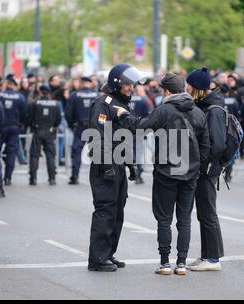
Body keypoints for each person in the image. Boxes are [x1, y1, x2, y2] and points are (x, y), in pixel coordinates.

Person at [114, 72, 210, 276]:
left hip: (166, 173)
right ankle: (182, 263)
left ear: (167, 91)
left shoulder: (164, 110)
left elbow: (140, 127)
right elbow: (205, 146)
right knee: (184, 220)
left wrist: (123, 115)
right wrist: (197, 169)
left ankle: (165, 263)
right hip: (190, 174)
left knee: (164, 219)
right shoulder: (198, 112)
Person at [87, 64, 145, 272]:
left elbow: (126, 137)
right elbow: (97, 136)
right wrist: (106, 165)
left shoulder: (122, 105)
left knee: (117, 211)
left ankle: (108, 253)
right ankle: (97, 259)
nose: (132, 88)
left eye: (133, 84)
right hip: (106, 165)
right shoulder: (103, 104)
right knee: (105, 211)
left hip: (119, 163)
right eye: (128, 84)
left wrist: (130, 165)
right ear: (117, 83)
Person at [185, 67, 225, 272]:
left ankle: (213, 259)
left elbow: (216, 144)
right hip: (204, 167)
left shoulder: (214, 110)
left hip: (207, 169)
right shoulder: (206, 105)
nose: (186, 87)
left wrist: (204, 164)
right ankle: (206, 255)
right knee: (203, 213)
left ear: (197, 88)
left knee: (208, 213)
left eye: (188, 85)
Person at [0, 78, 27, 186]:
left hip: (0, 128)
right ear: (14, 86)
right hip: (14, 127)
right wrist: (20, 124)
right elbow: (24, 114)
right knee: (11, 154)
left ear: (6, 84)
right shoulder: (20, 97)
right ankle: (8, 178)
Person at [65, 77, 99, 185]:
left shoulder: (74, 95)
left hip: (80, 127)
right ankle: (98, 177)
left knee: (76, 151)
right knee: (96, 152)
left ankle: (74, 176)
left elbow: (68, 113)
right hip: (94, 126)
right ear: (89, 84)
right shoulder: (97, 96)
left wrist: (71, 125)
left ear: (81, 84)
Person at [27, 85, 62, 186]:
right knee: (50, 156)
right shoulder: (55, 104)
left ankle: (33, 179)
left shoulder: (35, 103)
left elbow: (29, 118)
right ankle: (52, 179)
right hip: (50, 132)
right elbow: (58, 120)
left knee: (34, 155)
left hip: (38, 131)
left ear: (40, 92)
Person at [128, 85, 152, 184]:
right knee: (138, 152)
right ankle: (138, 172)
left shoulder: (129, 100)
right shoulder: (143, 100)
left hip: (128, 129)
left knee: (132, 152)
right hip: (140, 128)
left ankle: (133, 170)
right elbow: (149, 115)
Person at [220, 83, 240, 183]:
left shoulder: (217, 101)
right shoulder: (234, 101)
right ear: (228, 91)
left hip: (220, 128)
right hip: (231, 129)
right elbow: (237, 116)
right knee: (230, 151)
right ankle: (228, 173)